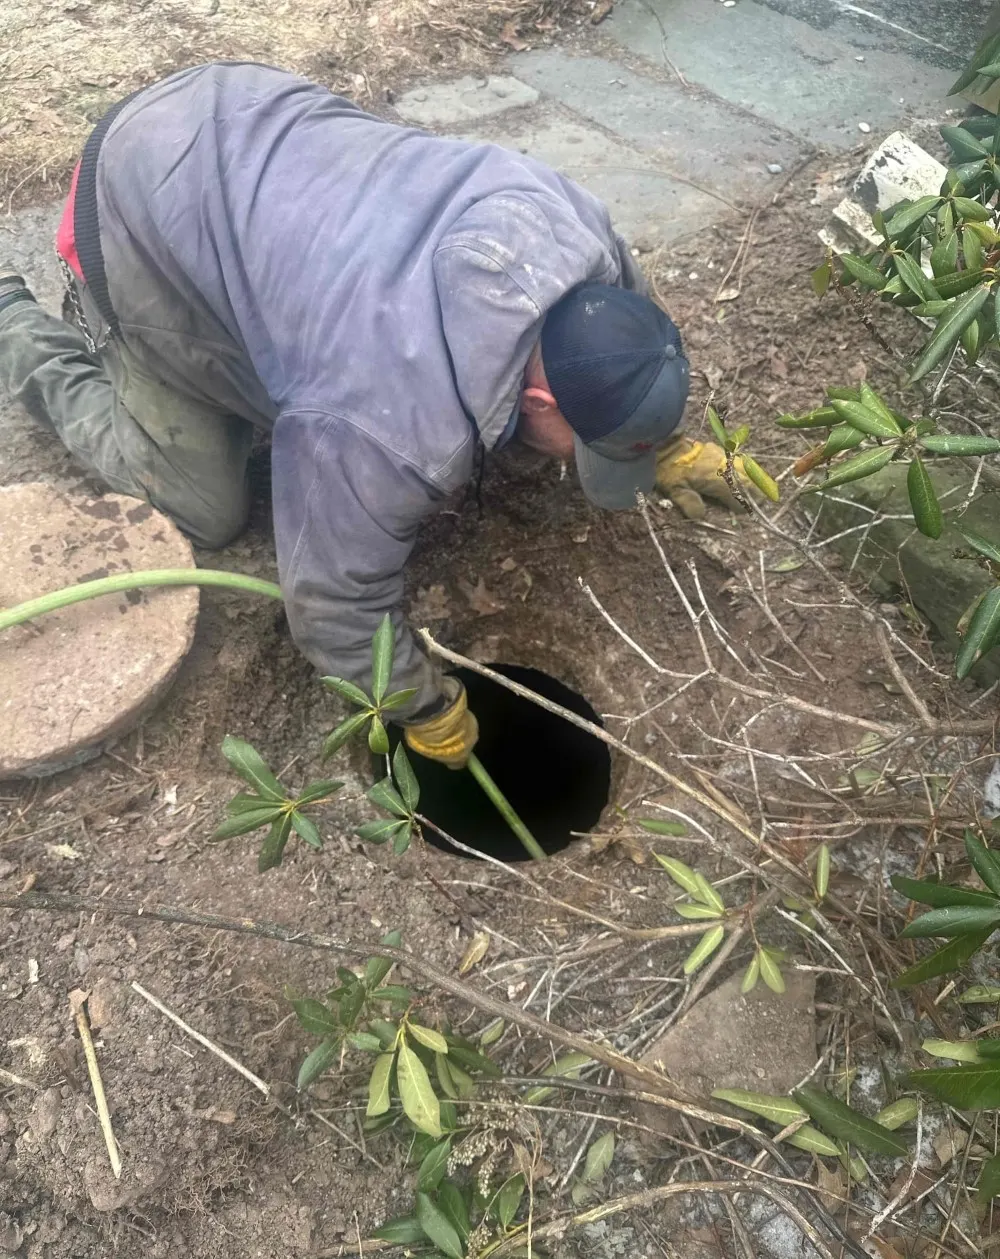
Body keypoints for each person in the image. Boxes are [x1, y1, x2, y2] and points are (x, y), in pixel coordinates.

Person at [0, 61, 738, 771]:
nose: (583, 467)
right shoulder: (383, 423)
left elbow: (635, 326)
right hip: (139, 203)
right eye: (586, 451)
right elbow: (329, 602)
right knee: (207, 503)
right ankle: (13, 316)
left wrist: (656, 441)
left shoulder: (580, 235)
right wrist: (421, 705)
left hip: (247, 112)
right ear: (540, 402)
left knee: (297, 379)